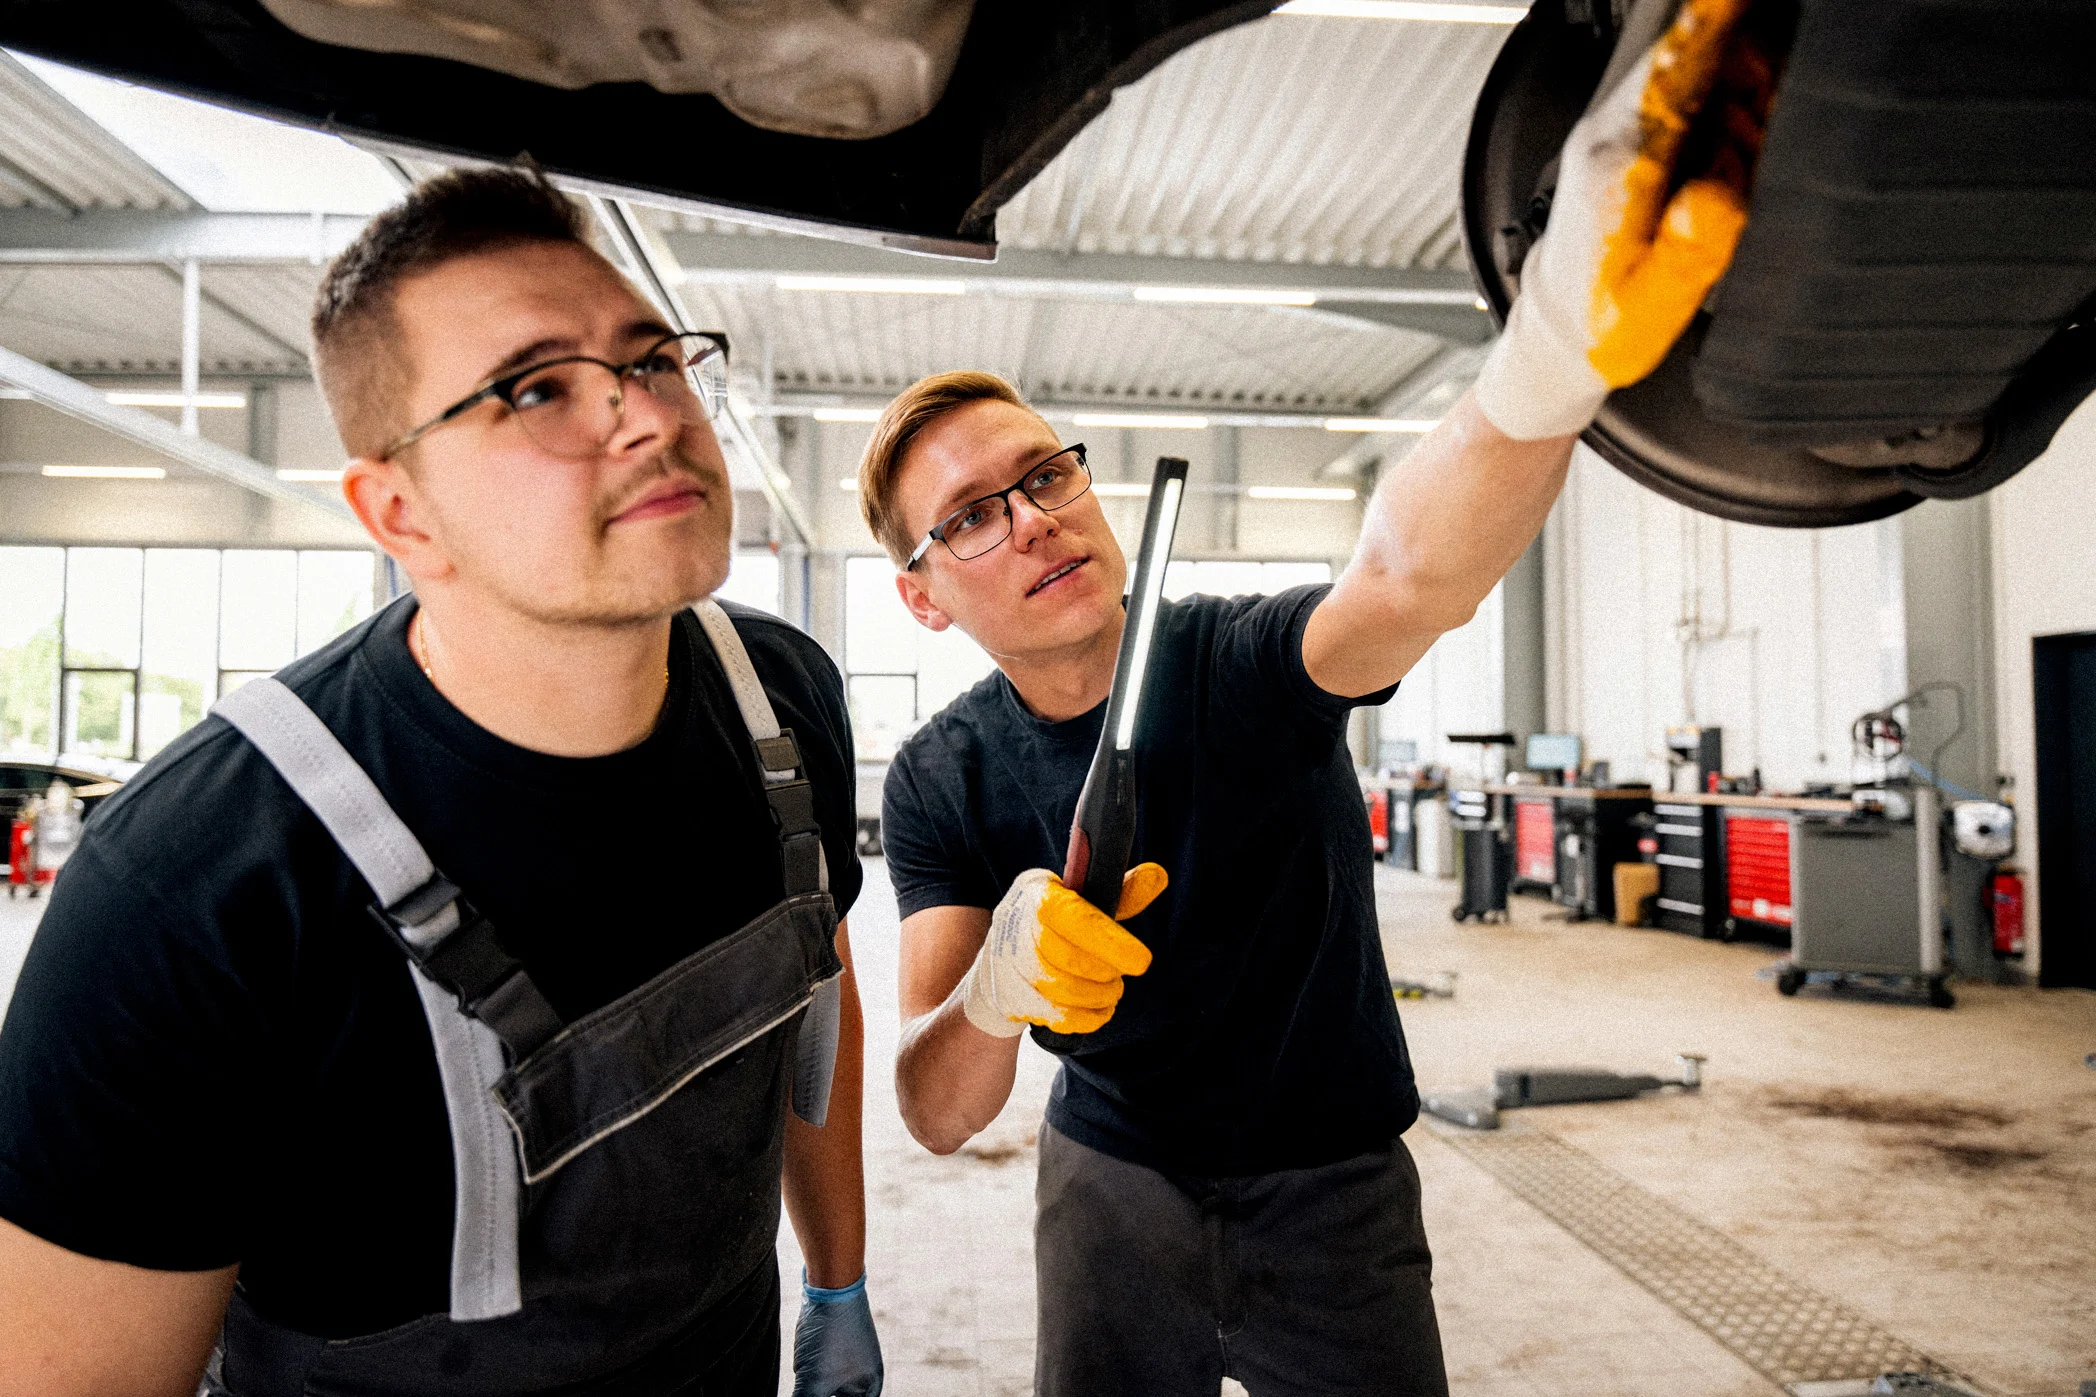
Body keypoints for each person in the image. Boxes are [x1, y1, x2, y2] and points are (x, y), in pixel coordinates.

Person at [863, 4, 1759, 1393]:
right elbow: (934, 1108)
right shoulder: (943, 779)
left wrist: (1555, 355)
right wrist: (992, 991)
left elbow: (1404, 578)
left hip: (1337, 1184)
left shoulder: (1233, 660)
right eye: (973, 516)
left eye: (1045, 475)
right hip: (1111, 1181)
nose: (1035, 519)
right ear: (921, 595)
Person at [0, 170, 883, 1397]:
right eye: (535, 389)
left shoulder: (781, 701)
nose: (643, 417)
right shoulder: (189, 896)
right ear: (399, 509)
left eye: (653, 359)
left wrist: (838, 1276)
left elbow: (809, 1009)